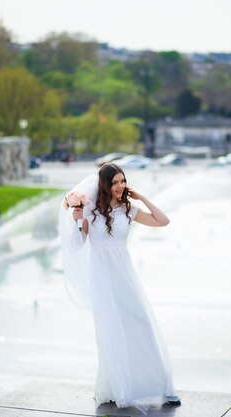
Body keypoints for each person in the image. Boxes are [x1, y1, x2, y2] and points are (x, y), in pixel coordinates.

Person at [59, 163, 180, 413]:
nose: (120, 186)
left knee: (141, 323)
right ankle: (119, 389)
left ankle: (160, 385)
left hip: (124, 274)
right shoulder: (90, 211)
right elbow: (79, 243)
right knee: (110, 331)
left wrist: (142, 197)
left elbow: (163, 221)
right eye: (115, 182)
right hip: (101, 275)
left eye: (122, 181)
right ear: (104, 185)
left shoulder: (128, 210)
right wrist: (78, 221)